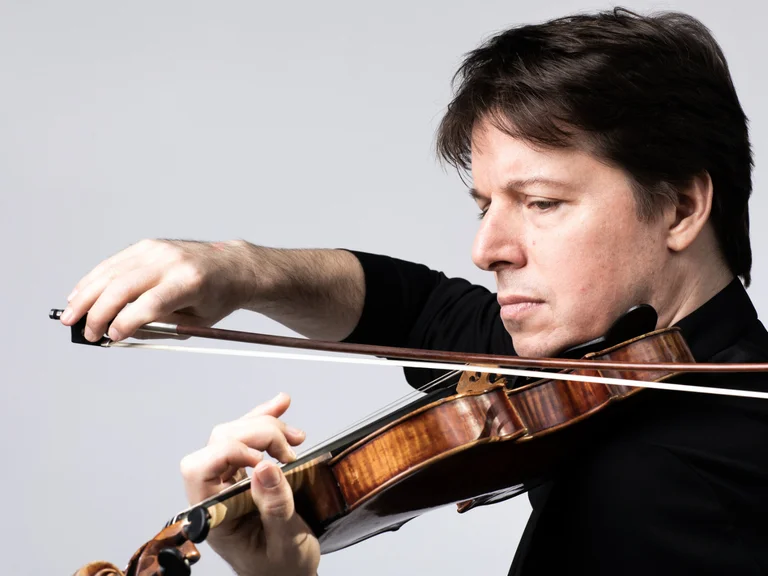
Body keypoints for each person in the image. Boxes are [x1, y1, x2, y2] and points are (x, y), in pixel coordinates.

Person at [58, 7, 768, 575]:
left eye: (542, 203)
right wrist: (239, 268)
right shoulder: (605, 367)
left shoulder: (674, 490)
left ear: (680, 208)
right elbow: (416, 307)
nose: (487, 249)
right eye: (484, 205)